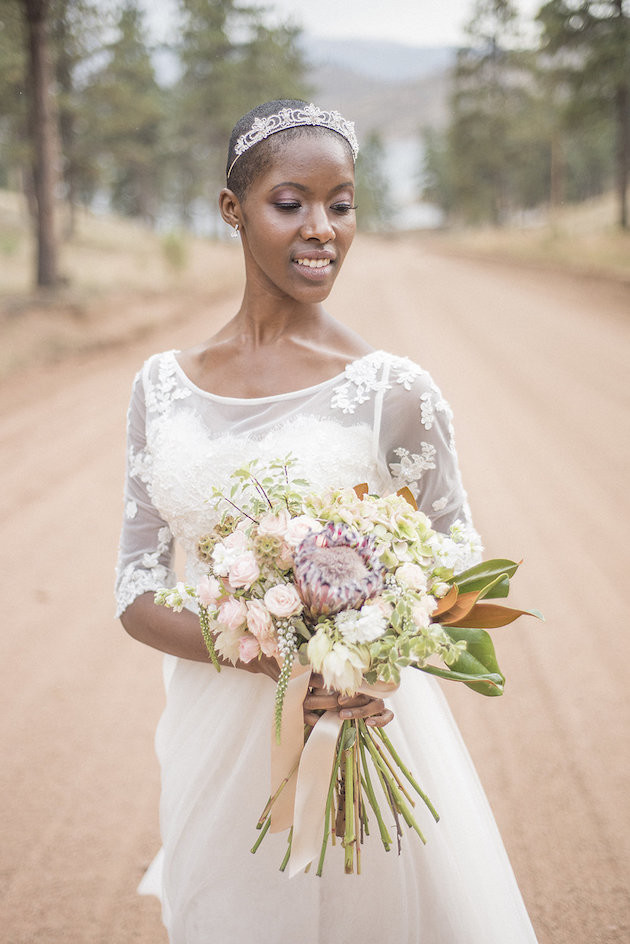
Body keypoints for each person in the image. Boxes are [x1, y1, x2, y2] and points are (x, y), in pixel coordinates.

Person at [116, 100, 538, 943]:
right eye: (291, 203)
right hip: (217, 740)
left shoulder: (393, 392)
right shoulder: (161, 388)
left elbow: (454, 562)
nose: (323, 230)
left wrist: (361, 664)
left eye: (341, 204)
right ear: (233, 210)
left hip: (355, 729)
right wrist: (271, 653)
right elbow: (134, 589)